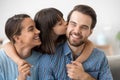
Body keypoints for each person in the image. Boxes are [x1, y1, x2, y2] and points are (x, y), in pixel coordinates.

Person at [3, 7, 95, 79]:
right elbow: (7, 44)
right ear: (50, 30)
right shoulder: (38, 42)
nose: (66, 23)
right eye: (60, 23)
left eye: (63, 19)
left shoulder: (64, 39)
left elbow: (89, 44)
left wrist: (77, 62)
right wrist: (19, 61)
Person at [38, 4, 113, 80]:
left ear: (90, 32)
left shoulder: (100, 57)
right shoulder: (47, 58)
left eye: (84, 27)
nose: (77, 31)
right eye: (73, 24)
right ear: (68, 25)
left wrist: (85, 77)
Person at [0, 14, 41, 80]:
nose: (38, 31)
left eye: (36, 27)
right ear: (17, 38)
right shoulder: (1, 59)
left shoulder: (41, 58)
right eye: (31, 29)